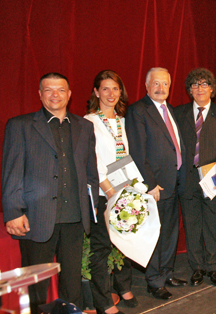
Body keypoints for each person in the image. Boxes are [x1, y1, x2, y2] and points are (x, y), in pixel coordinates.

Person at [2, 73, 99, 313]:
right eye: (48, 90)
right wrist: (13, 211)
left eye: (60, 90)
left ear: (69, 94)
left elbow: (91, 172)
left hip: (75, 217)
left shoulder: (84, 127)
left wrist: (92, 207)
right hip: (37, 217)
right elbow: (12, 171)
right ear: (40, 94)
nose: (55, 95)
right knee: (36, 285)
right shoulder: (20, 125)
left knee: (72, 282)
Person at [125, 67, 187, 299]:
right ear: (146, 86)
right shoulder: (138, 111)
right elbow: (138, 152)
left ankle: (167, 273)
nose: (161, 89)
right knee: (154, 234)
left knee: (170, 232)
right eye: (156, 84)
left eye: (165, 85)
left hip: (174, 182)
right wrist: (150, 184)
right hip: (155, 186)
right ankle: (154, 280)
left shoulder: (168, 109)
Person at [83, 70, 138, 314]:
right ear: (96, 92)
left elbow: (125, 157)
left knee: (124, 241)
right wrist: (108, 189)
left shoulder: (122, 120)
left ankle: (123, 286)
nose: (111, 94)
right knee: (102, 247)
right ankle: (103, 300)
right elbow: (90, 160)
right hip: (102, 194)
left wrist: (131, 189)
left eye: (115, 89)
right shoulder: (89, 122)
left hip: (123, 190)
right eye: (105, 89)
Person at [175, 68, 216, 287]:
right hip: (187, 180)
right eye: (195, 85)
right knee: (192, 226)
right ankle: (197, 267)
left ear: (212, 88)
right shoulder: (178, 114)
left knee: (213, 225)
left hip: (213, 179)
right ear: (189, 90)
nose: (200, 89)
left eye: (204, 84)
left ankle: (213, 267)